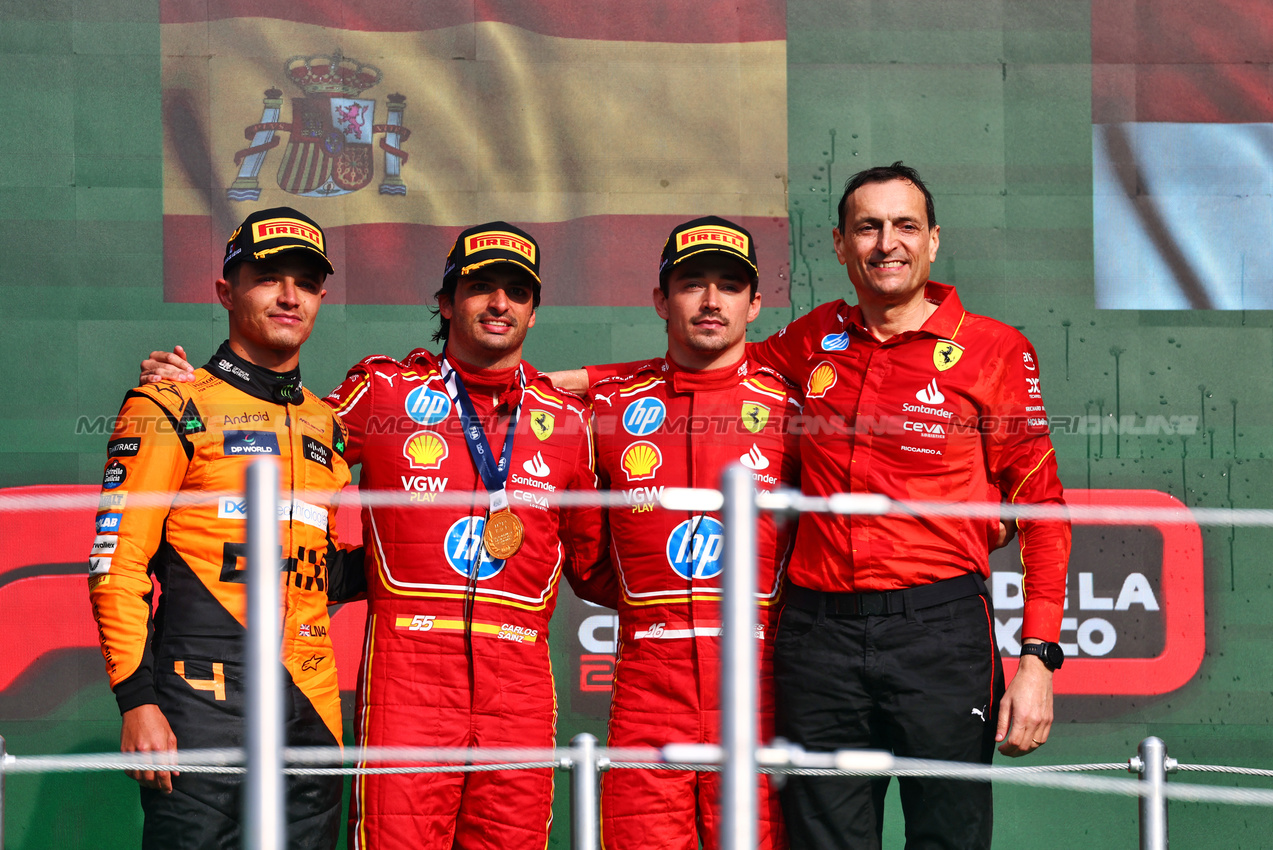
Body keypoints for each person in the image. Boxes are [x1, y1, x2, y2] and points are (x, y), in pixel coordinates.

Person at [578, 164, 1069, 849]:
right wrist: (540, 381)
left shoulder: (994, 350)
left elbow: (1040, 508)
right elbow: (705, 364)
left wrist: (1038, 659)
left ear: (933, 240)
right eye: (867, 227)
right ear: (839, 245)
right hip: (816, 638)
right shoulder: (811, 340)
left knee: (948, 839)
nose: (885, 243)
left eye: (903, 226)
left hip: (938, 629)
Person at [141, 222, 612, 850]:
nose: (500, 304)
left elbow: (593, 562)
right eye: (480, 288)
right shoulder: (386, 392)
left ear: (533, 311)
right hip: (407, 673)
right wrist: (197, 391)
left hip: (519, 679)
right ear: (446, 304)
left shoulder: (569, 420)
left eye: (517, 292)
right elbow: (288, 431)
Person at [90, 207, 364, 849]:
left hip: (313, 709)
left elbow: (319, 564)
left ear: (322, 297)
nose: (289, 295)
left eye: (306, 280)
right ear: (225, 292)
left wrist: (423, 563)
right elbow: (117, 561)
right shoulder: (170, 405)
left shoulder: (329, 424)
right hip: (200, 702)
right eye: (269, 277)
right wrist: (136, 700)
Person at [588, 217, 798, 850]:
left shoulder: (798, 409)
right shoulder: (607, 408)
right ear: (660, 299)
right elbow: (578, 545)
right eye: (691, 285)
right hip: (650, 681)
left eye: (730, 286)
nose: (711, 302)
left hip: (765, 681)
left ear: (755, 303)